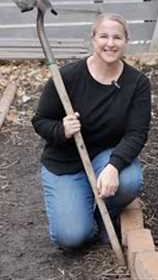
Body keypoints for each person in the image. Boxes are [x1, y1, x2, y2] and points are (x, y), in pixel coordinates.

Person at [32, 13, 151, 249]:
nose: (110, 43)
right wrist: (61, 129)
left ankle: (104, 214)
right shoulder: (67, 77)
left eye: (117, 37)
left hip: (105, 155)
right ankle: (83, 209)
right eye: (103, 36)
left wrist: (114, 166)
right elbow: (40, 120)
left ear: (126, 42)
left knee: (128, 181)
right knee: (72, 238)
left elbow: (137, 133)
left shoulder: (137, 83)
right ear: (93, 39)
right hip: (64, 162)